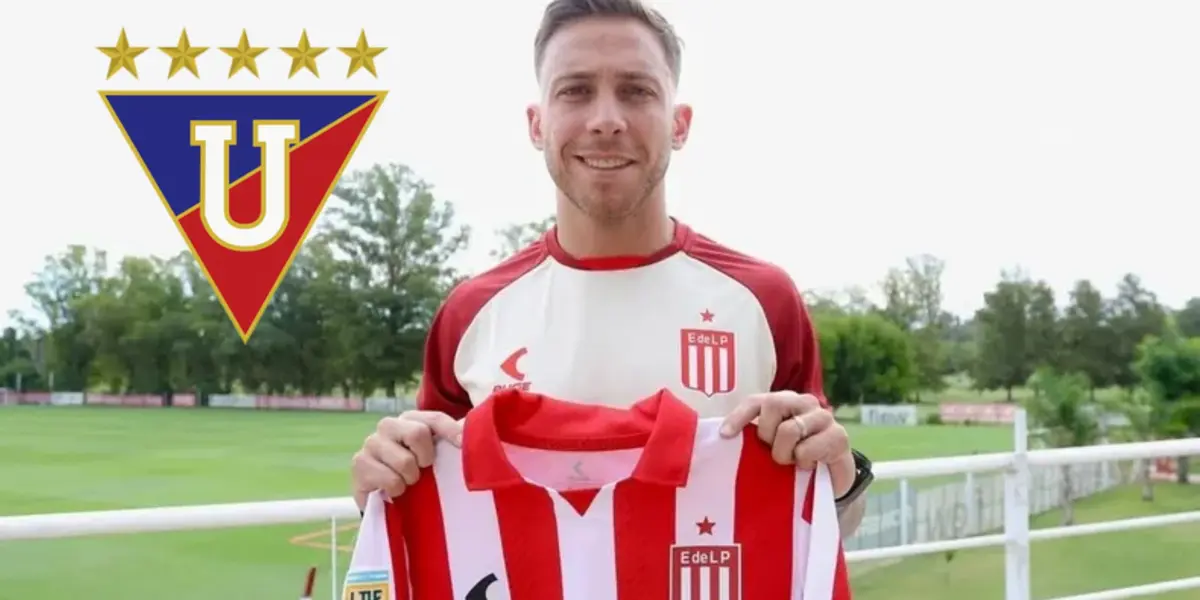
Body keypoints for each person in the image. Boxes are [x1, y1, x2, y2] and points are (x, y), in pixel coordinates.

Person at [351, 0, 872, 537]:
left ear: (679, 124)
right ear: (536, 124)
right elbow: (439, 522)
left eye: (636, 91)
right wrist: (382, 495)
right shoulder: (471, 314)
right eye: (575, 90)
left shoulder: (764, 301)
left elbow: (831, 523)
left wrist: (839, 476)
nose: (605, 120)